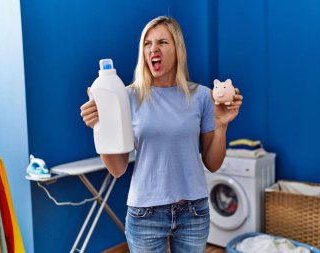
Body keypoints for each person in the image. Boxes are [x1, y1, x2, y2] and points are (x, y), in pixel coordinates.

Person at [80, 16, 243, 253]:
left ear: (178, 49)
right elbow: (117, 169)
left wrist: (221, 125)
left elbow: (213, 163)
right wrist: (100, 128)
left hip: (193, 213)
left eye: (162, 42)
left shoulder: (202, 96)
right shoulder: (126, 97)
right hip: (145, 214)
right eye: (147, 43)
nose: (153, 49)